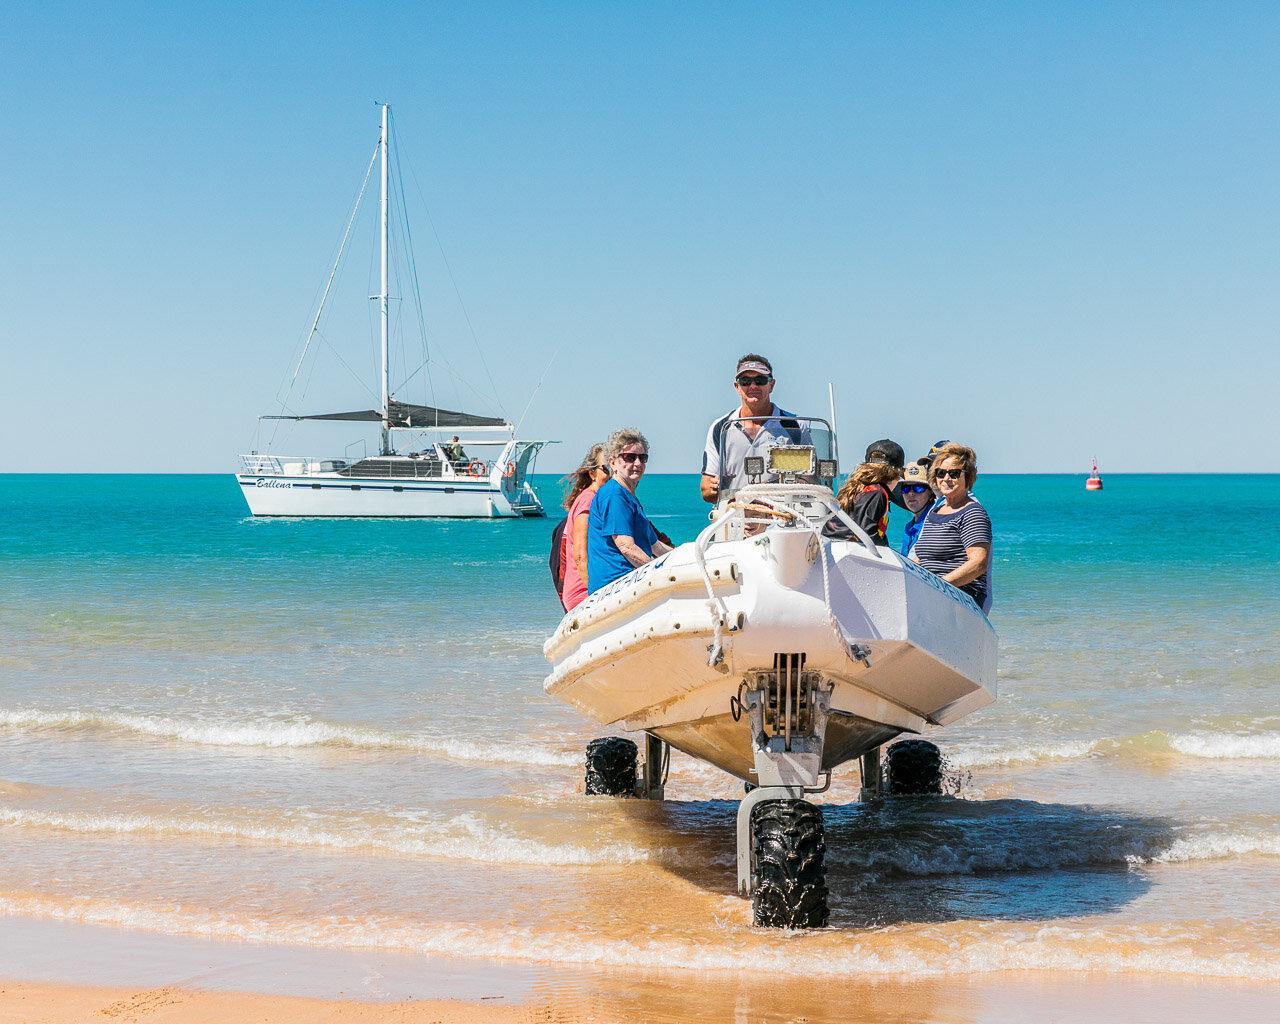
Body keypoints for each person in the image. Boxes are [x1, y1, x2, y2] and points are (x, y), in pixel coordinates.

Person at [700, 354, 808, 503]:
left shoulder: (794, 426)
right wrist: (712, 487)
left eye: (760, 380)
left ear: (771, 385)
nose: (753, 386)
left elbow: (809, 483)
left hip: (781, 520)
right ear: (737, 387)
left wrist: (771, 489)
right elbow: (706, 489)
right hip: (734, 517)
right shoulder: (721, 428)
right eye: (746, 381)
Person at [588, 429, 673, 594]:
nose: (638, 463)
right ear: (612, 463)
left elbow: (656, 548)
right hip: (615, 588)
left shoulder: (629, 497)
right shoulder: (614, 494)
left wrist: (687, 556)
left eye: (643, 458)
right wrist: (657, 573)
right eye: (630, 457)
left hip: (629, 583)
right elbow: (626, 546)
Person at [912, 444, 992, 611]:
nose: (946, 478)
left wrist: (939, 586)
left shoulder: (972, 513)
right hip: (930, 594)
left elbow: (978, 563)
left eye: (954, 473)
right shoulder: (935, 511)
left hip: (959, 597)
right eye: (941, 473)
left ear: (968, 478)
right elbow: (921, 558)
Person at [559, 444, 609, 611]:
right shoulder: (588, 501)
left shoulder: (600, 499)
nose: (612, 475)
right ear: (592, 473)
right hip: (584, 592)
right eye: (606, 469)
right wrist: (596, 596)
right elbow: (580, 557)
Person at [835, 439, 905, 547]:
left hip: (836, 547)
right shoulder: (877, 493)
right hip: (852, 553)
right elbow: (868, 533)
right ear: (897, 473)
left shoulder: (855, 488)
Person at [899, 458, 935, 556]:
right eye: (906, 489)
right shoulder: (909, 526)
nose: (910, 493)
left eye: (918, 488)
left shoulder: (935, 522)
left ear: (931, 491)